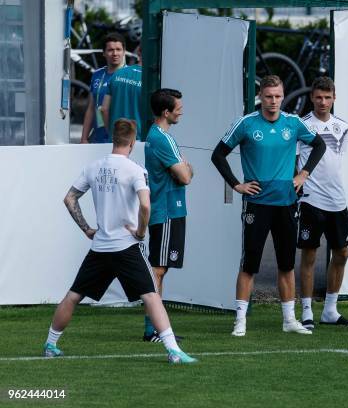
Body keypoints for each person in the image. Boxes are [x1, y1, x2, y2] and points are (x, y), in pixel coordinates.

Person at [42, 119, 196, 364]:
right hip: (126, 247)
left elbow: (70, 199)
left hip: (100, 246)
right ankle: (174, 350)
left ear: (113, 140)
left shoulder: (93, 167)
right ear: (132, 142)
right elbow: (145, 204)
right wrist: (141, 232)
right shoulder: (135, 170)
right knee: (151, 295)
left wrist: (86, 229)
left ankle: (51, 344)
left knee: (73, 296)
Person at [211, 75, 326, 337]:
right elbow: (218, 155)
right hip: (257, 203)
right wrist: (236, 184)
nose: (273, 101)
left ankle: (289, 320)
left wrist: (304, 173)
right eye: (268, 96)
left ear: (283, 96)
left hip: (286, 202)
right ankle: (240, 320)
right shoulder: (246, 123)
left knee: (286, 264)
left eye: (277, 96)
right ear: (260, 97)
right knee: (249, 264)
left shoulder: (293, 123)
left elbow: (319, 145)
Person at [296, 77, 348, 329]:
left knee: (342, 252)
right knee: (310, 254)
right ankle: (307, 311)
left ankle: (330, 310)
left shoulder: (343, 127)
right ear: (311, 98)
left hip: (337, 200)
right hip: (311, 199)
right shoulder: (301, 125)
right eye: (318, 97)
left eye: (327, 97)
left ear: (334, 98)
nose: (323, 102)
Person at [143, 88, 193, 342]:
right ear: (166, 112)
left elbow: (183, 172)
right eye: (178, 108)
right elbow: (185, 176)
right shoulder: (163, 139)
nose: (181, 111)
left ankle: (155, 328)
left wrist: (184, 167)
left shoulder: (157, 136)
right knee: (158, 269)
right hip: (166, 211)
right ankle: (153, 329)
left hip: (168, 210)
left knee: (160, 268)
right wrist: (186, 167)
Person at [80, 33, 126, 144]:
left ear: (124, 52)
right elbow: (91, 108)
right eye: (110, 50)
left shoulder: (130, 75)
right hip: (98, 138)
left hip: (120, 139)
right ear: (104, 53)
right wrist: (84, 138)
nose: (115, 53)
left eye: (118, 49)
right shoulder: (97, 74)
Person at [102, 45, 142, 140]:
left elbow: (104, 109)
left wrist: (110, 133)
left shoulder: (118, 73)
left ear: (138, 53)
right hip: (138, 140)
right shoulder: (153, 80)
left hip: (115, 139)